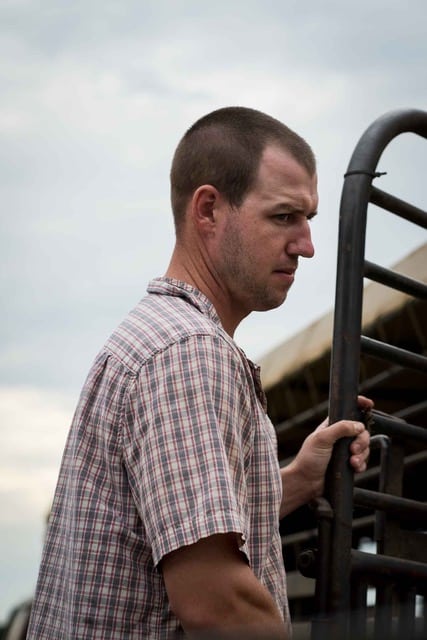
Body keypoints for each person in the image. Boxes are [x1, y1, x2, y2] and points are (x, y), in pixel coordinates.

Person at [26, 106, 371, 640]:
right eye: (284, 217)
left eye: (308, 220)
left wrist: (300, 480)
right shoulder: (187, 352)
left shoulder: (162, 337)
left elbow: (167, 526)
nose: (306, 245)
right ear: (208, 210)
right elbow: (217, 605)